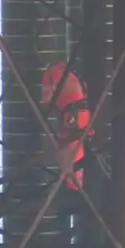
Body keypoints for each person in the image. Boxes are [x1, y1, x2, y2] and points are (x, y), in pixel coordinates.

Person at [41, 61, 94, 191]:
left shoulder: (51, 73)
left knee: (69, 146)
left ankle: (73, 184)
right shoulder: (72, 74)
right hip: (83, 113)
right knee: (78, 144)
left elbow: (47, 101)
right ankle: (78, 182)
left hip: (73, 115)